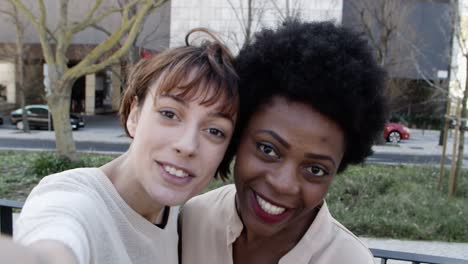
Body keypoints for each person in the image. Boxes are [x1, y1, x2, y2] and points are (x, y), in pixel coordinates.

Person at [1, 28, 239, 264]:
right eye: (169, 113)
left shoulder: (178, 217)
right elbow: (51, 244)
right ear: (134, 116)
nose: (187, 145)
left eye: (214, 131)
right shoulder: (73, 200)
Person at [181, 20, 387, 263]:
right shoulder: (192, 220)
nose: (283, 184)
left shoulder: (348, 259)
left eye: (315, 169)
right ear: (239, 136)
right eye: (268, 149)